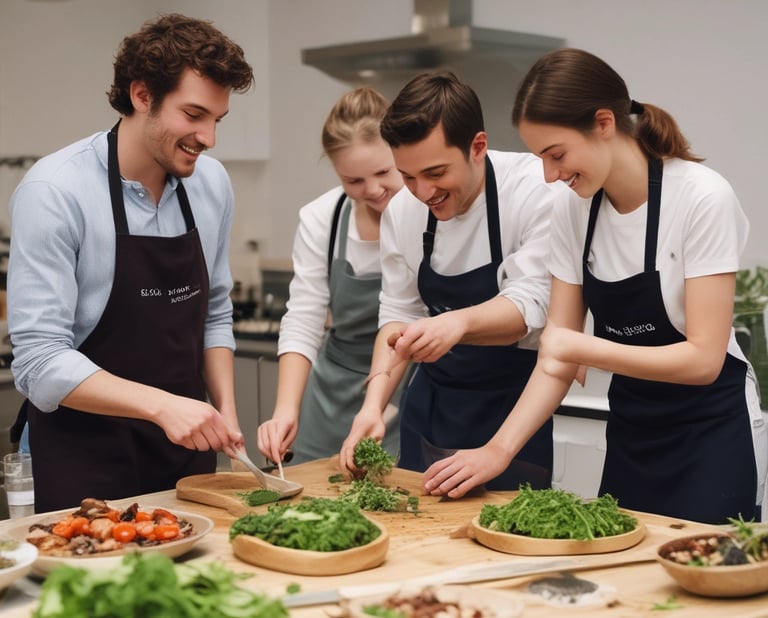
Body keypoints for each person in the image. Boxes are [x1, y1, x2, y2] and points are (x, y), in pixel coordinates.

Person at [423, 48, 767, 524]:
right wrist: (496, 451)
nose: (550, 174)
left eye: (557, 154)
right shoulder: (573, 210)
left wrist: (582, 346)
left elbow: (704, 360)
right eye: (540, 158)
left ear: (604, 122)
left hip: (712, 433)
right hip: (632, 430)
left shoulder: (701, 198)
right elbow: (555, 359)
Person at [7, 13, 255, 512]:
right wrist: (163, 406)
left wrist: (224, 411)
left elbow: (215, 314)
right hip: (82, 459)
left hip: (185, 459)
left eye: (217, 120)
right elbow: (38, 362)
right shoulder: (55, 190)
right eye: (193, 115)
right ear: (142, 95)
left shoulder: (212, 185)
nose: (209, 138)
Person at [339, 71, 563, 491]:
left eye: (436, 172)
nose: (422, 191)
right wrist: (373, 405)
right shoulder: (403, 211)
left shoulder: (534, 191)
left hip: (510, 406)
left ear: (477, 147)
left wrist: (456, 324)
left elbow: (531, 304)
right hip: (433, 403)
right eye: (407, 176)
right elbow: (398, 312)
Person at [257, 87, 404, 466]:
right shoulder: (322, 218)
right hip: (332, 394)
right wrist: (285, 410)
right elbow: (304, 317)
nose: (372, 190)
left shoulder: (428, 215)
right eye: (353, 181)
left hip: (402, 386)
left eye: (384, 172)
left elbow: (409, 313)